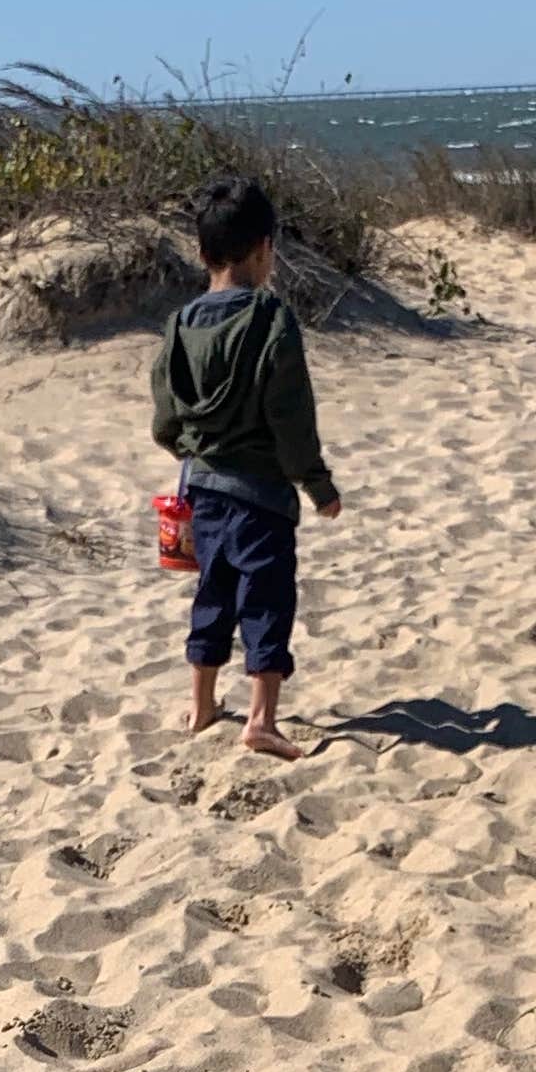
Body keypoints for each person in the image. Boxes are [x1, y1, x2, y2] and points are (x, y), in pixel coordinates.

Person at [151, 171, 345, 761]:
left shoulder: (180, 323)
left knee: (212, 595)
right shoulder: (270, 318)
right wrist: (318, 486)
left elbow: (165, 417)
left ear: (202, 252)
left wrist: (188, 449)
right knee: (266, 600)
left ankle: (202, 704)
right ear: (264, 248)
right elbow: (291, 417)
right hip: (262, 496)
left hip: (204, 490)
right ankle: (261, 719)